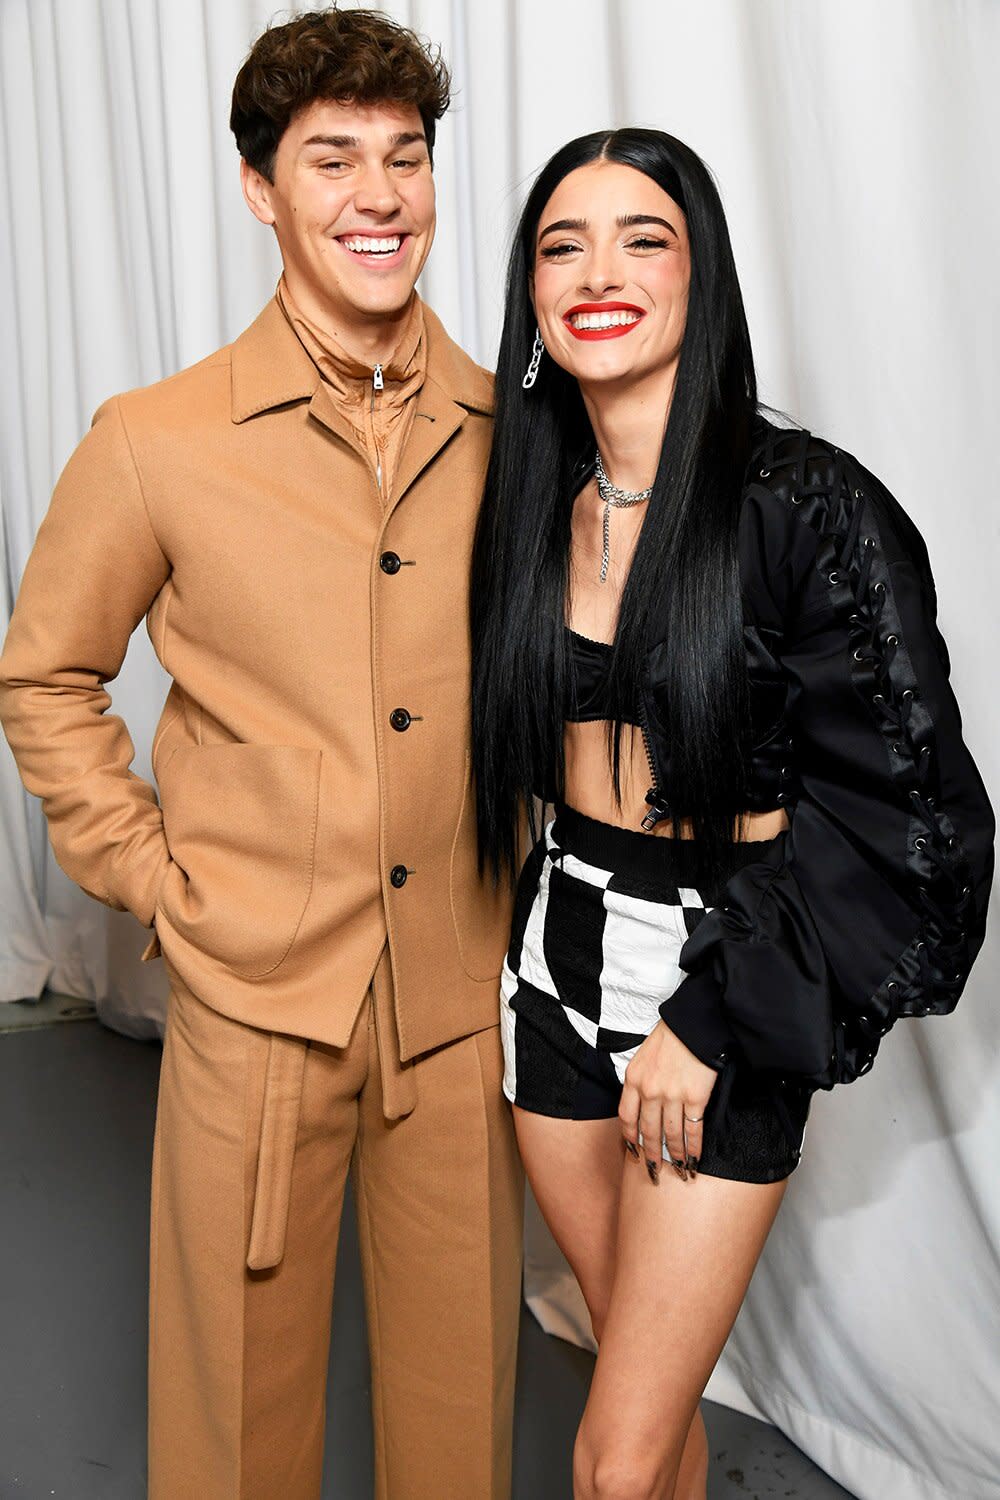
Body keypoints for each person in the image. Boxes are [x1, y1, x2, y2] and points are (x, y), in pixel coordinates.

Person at [0, 10, 523, 1498]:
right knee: (233, 1423)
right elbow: (46, 677)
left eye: (406, 157)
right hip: (253, 997)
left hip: (455, 995)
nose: (380, 194)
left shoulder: (514, 428)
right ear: (260, 189)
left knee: (462, 1416)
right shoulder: (154, 441)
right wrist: (162, 887)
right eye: (333, 157)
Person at [471, 127, 994, 1500]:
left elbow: (916, 819)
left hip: (722, 975)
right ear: (530, 300)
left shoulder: (804, 507)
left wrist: (710, 1019)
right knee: (640, 1403)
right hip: (552, 964)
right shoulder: (537, 506)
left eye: (644, 239)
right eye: (560, 245)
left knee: (615, 1462)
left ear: (704, 282)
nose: (598, 271)